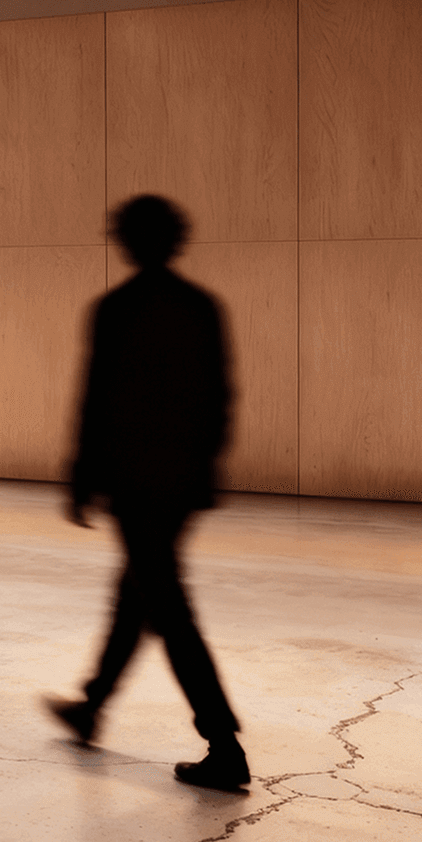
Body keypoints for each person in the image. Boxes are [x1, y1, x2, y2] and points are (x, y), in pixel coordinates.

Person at [45, 194, 249, 791]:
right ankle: (91, 706)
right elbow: (220, 399)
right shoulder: (202, 308)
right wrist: (206, 471)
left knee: (168, 611)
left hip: (135, 486)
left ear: (129, 241)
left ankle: (223, 743)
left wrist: (82, 476)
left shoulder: (115, 310)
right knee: (137, 595)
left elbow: (95, 403)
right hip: (179, 485)